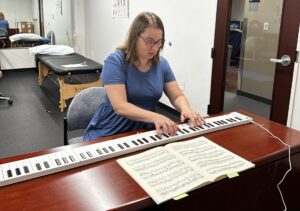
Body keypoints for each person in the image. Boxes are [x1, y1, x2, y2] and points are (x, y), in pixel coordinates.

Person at [83, 11, 205, 142]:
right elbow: (120, 106)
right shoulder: (115, 61)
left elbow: (177, 95)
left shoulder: (162, 64)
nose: (154, 48)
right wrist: (155, 117)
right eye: (149, 41)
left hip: (144, 130)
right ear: (135, 37)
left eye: (159, 42)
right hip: (111, 130)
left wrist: (186, 109)